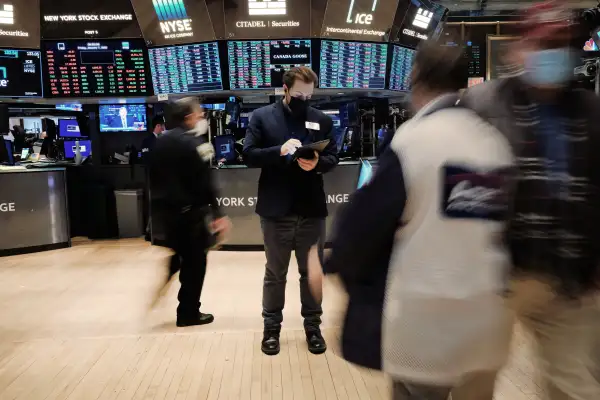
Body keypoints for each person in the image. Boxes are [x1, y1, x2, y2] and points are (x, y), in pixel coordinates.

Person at [308, 41, 515, 399]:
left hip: (426, 323)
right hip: (487, 321)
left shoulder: (415, 141)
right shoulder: (494, 143)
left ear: (415, 78)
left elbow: (366, 223)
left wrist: (330, 262)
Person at [461, 2, 600, 399]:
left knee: (576, 386)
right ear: (521, 48)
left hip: (568, 278)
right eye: (543, 44)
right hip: (495, 275)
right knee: (473, 378)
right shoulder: (483, 106)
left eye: (562, 44)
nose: (553, 54)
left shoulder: (591, 113)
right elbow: (460, 193)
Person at [243, 66, 339, 356]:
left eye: (309, 95)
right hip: (276, 210)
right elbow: (248, 155)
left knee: (311, 273)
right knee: (275, 274)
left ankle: (313, 327)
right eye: (299, 94)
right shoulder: (262, 117)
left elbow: (333, 156)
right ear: (284, 90)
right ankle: (271, 329)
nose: (304, 100)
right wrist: (279, 151)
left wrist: (318, 163)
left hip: (311, 208)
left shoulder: (320, 119)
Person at [148, 97, 231, 327]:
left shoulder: (160, 143)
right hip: (191, 215)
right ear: (188, 118)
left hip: (166, 214)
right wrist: (218, 215)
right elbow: (206, 183)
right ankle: (188, 312)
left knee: (184, 253)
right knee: (196, 264)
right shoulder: (196, 144)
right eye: (199, 115)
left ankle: (173, 267)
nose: (202, 119)